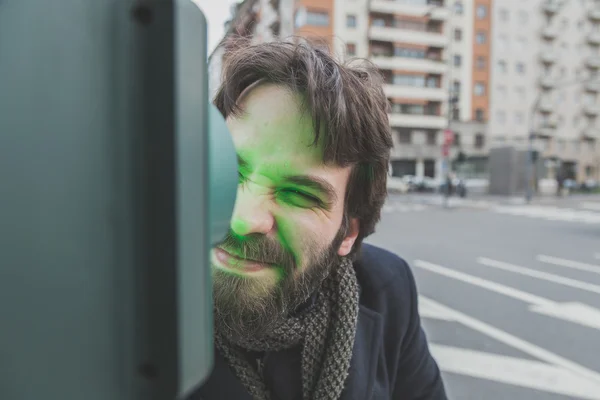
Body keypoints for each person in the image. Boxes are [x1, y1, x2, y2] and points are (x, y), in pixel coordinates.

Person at [191, 38, 447, 400]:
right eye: (230, 171)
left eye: (298, 194)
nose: (242, 220)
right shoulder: (126, 304)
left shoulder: (388, 291)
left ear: (349, 232)